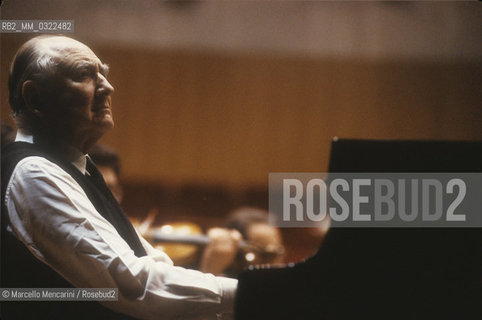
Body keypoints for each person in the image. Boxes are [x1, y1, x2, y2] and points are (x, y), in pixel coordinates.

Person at [1, 35, 240, 320]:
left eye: (103, 73)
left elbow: (150, 261)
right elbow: (134, 284)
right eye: (84, 75)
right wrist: (252, 294)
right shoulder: (34, 172)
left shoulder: (79, 166)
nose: (108, 86)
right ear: (34, 97)